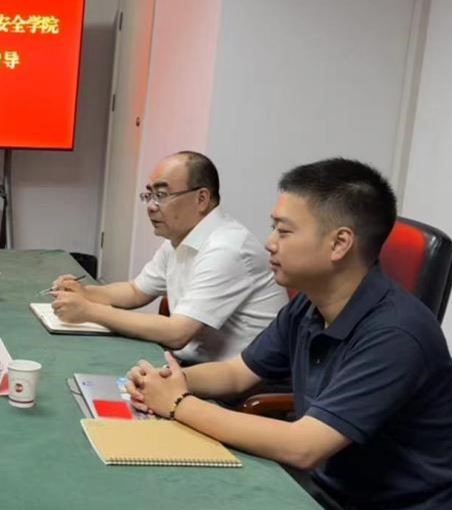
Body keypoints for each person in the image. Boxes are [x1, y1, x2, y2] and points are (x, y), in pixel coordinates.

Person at [126, 158, 452, 510]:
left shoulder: (397, 334)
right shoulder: (311, 306)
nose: (269, 243)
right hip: (333, 503)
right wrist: (170, 380)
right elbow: (236, 373)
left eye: (284, 231)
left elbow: (303, 447)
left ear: (339, 244)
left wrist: (177, 404)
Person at [50, 152, 285, 362]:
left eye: (161, 195)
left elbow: (177, 333)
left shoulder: (227, 248)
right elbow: (135, 292)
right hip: (191, 365)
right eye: (149, 195)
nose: (151, 206)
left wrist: (89, 311)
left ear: (201, 199)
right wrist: (85, 292)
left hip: (235, 382)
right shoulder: (179, 238)